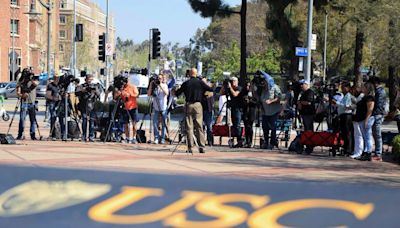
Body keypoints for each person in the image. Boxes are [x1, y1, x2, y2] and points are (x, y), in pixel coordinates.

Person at [175, 68, 212, 153]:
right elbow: (210, 89)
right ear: (196, 73)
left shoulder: (186, 83)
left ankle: (190, 147)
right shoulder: (200, 82)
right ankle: (202, 146)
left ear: (189, 74)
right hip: (198, 105)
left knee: (189, 126)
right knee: (199, 125)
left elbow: (177, 93)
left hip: (189, 104)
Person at [351, 82, 375, 161]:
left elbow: (370, 110)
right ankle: (365, 152)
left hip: (367, 119)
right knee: (365, 136)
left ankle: (368, 152)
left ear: (368, 89)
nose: (362, 89)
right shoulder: (365, 97)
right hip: (361, 119)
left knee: (367, 136)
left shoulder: (370, 98)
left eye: (364, 87)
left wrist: (366, 120)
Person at [259, 77, 282, 149]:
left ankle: (272, 143)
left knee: (273, 127)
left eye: (264, 81)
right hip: (265, 112)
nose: (263, 83)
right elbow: (259, 98)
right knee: (265, 127)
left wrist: (271, 101)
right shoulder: (263, 89)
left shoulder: (275, 87)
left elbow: (279, 97)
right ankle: (266, 142)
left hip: (273, 111)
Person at [75, 74, 101, 142]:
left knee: (92, 121)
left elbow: (98, 94)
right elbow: (76, 93)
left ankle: (91, 136)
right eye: (88, 79)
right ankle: (84, 136)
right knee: (84, 121)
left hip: (92, 105)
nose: (89, 81)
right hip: (84, 106)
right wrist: (83, 90)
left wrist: (95, 90)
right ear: (85, 79)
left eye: (91, 79)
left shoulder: (95, 86)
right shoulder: (82, 86)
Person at [16, 68, 39, 140]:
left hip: (32, 102)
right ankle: (20, 134)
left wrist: (31, 78)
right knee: (22, 119)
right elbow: (17, 92)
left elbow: (36, 84)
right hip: (24, 102)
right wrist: (22, 95)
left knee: (33, 120)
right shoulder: (21, 80)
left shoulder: (33, 79)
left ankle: (33, 135)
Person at [220, 76, 243, 147]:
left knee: (237, 125)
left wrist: (230, 88)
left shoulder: (239, 88)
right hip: (232, 108)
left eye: (233, 81)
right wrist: (224, 86)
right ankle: (235, 139)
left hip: (238, 108)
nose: (232, 82)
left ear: (236, 81)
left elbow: (235, 94)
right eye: (231, 81)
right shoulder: (229, 88)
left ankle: (240, 140)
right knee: (233, 124)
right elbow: (221, 93)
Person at [116, 77, 139, 144]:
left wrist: (129, 95)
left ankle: (134, 138)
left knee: (134, 123)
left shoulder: (132, 87)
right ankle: (127, 137)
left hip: (133, 107)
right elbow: (116, 97)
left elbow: (137, 95)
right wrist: (119, 93)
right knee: (125, 124)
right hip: (124, 107)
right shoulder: (121, 88)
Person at [147, 73, 169, 144]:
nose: (158, 80)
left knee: (163, 124)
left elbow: (166, 93)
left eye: (160, 78)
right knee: (155, 123)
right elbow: (149, 94)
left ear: (162, 79)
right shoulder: (154, 87)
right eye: (158, 79)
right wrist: (151, 84)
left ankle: (162, 138)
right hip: (156, 108)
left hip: (163, 108)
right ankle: (156, 137)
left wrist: (160, 85)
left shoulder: (164, 85)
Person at [334, 81, 355, 155]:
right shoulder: (344, 96)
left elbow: (347, 106)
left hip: (347, 115)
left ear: (348, 88)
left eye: (344, 87)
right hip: (343, 115)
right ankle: (345, 148)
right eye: (342, 87)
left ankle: (348, 149)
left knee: (347, 133)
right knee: (344, 132)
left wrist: (337, 103)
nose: (342, 89)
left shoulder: (348, 96)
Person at [369, 77, 387, 161]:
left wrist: (373, 113)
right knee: (375, 134)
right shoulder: (378, 91)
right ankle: (378, 152)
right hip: (377, 114)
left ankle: (378, 154)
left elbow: (378, 105)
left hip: (378, 114)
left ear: (375, 83)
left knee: (377, 134)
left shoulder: (380, 91)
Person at [297, 79, 315, 154]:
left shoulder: (310, 92)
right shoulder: (302, 93)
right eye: (300, 84)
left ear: (307, 85)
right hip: (304, 114)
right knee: (305, 130)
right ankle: (305, 145)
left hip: (309, 114)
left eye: (303, 84)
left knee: (308, 130)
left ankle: (309, 146)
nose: (301, 86)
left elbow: (309, 102)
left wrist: (300, 102)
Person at [242, 81, 257, 148]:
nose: (248, 87)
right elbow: (241, 101)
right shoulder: (244, 92)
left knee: (250, 127)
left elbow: (256, 102)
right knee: (246, 126)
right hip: (245, 112)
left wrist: (250, 100)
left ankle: (250, 141)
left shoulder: (254, 94)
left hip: (252, 112)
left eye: (249, 86)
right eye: (247, 86)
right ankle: (246, 141)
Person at [201, 77, 214, 146]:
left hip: (209, 110)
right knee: (201, 127)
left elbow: (209, 93)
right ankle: (202, 141)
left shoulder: (209, 89)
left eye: (204, 82)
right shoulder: (199, 90)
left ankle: (210, 141)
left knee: (209, 127)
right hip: (201, 110)